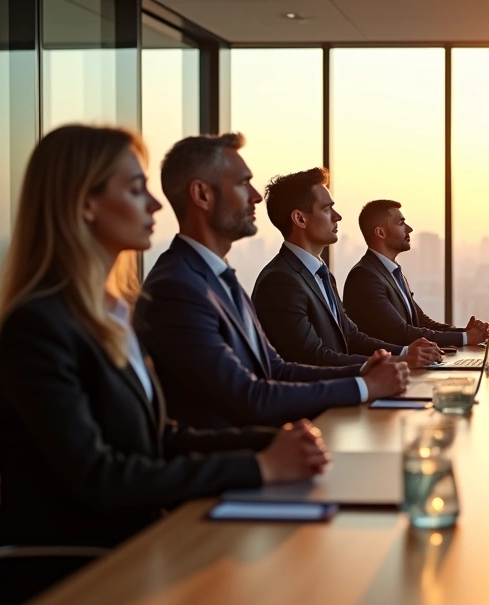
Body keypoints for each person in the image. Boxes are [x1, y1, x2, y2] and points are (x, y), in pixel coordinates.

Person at [0, 125, 329, 605]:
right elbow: (101, 477)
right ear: (85, 203)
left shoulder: (112, 314)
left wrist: (272, 441)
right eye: (135, 190)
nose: (156, 207)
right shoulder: (40, 327)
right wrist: (257, 466)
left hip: (134, 553)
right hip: (74, 587)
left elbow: (159, 439)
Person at [138, 133, 409, 432]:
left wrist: (363, 371)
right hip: (238, 465)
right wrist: (364, 386)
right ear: (202, 195)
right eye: (243, 184)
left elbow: (274, 368)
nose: (255, 196)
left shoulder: (220, 278)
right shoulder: (178, 287)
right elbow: (248, 396)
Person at [251, 169, 443, 367]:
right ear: (300, 219)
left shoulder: (321, 274)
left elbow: (351, 337)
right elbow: (312, 358)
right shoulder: (280, 282)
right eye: (327, 210)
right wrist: (397, 361)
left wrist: (406, 352)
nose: (338, 217)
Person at [343, 199, 489, 347]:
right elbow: (401, 333)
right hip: (389, 367)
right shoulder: (364, 277)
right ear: (380, 232)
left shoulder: (393, 273)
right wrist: (465, 338)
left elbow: (421, 321)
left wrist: (463, 333)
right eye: (401, 223)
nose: (409, 229)